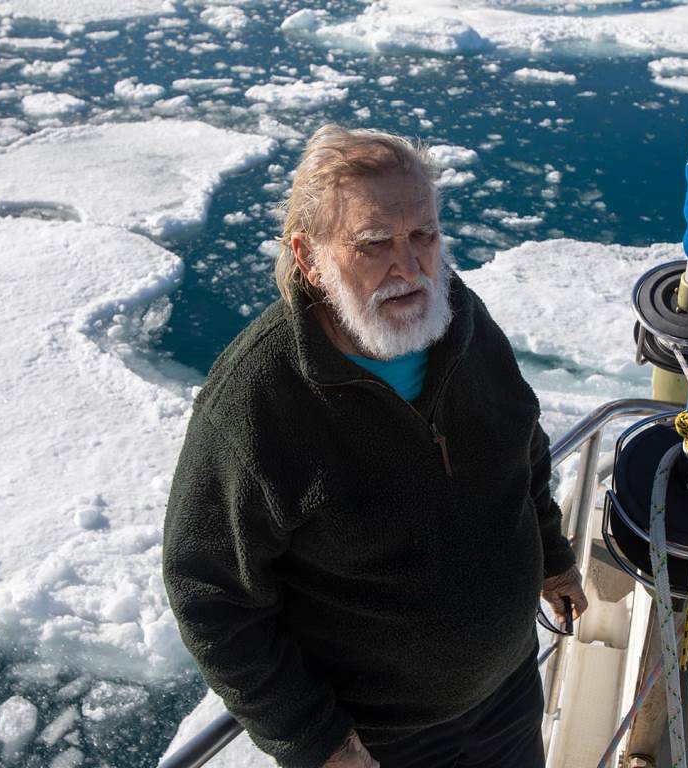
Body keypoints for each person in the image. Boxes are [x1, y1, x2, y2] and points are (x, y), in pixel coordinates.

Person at [162, 124, 589, 768]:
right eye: (373, 244)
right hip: (380, 744)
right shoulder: (259, 400)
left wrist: (553, 558)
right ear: (310, 258)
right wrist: (316, 742)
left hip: (509, 692)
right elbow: (211, 594)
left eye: (423, 236)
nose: (410, 266)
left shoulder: (459, 323)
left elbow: (520, 444)